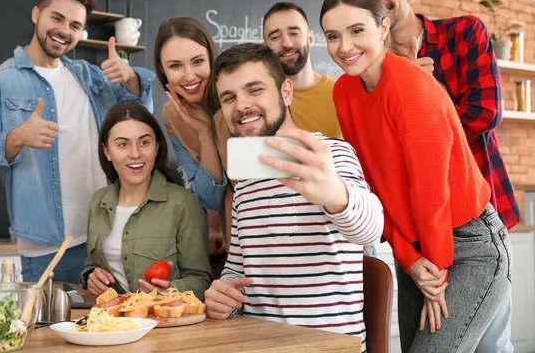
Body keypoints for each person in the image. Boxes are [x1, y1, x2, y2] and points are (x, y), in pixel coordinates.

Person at [320, 0, 512, 353]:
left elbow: (432, 195)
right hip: (416, 247)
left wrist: (435, 273)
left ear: (383, 27)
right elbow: (370, 187)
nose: (344, 47)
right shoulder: (344, 91)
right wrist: (410, 259)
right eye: (333, 36)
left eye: (357, 31)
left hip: (469, 245)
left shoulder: (412, 88)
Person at [0, 0, 156, 284]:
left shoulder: (89, 77)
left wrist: (132, 77)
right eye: (57, 18)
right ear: (37, 14)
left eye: (76, 25)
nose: (65, 31)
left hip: (104, 237)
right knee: (47, 331)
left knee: (113, 327)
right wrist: (16, 138)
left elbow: (143, 120)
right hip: (46, 247)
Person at [203, 43, 384, 352]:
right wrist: (223, 296)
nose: (241, 105)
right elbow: (239, 268)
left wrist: (336, 195)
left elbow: (371, 230)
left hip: (329, 347)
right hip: (258, 345)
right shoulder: (245, 176)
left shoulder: (330, 154)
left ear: (286, 92)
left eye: (254, 89)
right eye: (229, 98)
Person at [82, 102, 212, 300]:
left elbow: (201, 280)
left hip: (164, 324)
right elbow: (94, 265)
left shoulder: (184, 203)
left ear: (157, 147)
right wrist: (92, 276)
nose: (135, 153)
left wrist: (169, 292)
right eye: (122, 144)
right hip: (113, 324)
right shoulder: (98, 201)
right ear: (107, 151)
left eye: (144, 142)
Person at [154, 18, 227, 257]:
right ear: (162, 70)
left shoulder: (236, 94)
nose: (189, 76)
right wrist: (205, 133)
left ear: (211, 58)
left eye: (198, 61)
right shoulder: (173, 114)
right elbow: (209, 197)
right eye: (175, 66)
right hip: (223, 240)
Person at [262, 2, 342, 138]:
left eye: (294, 33)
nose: (286, 43)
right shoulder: (260, 99)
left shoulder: (341, 93)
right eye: (275, 37)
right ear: (265, 48)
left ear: (310, 39)